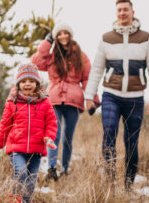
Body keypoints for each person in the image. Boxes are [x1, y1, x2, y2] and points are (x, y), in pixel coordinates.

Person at [85, 0, 149, 190]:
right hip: (111, 95)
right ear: (116, 12)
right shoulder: (106, 39)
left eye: (125, 10)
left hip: (135, 97)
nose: (122, 13)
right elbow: (97, 69)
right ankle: (109, 180)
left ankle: (128, 184)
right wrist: (89, 95)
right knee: (109, 132)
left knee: (132, 142)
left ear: (132, 12)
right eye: (119, 10)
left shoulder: (146, 38)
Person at [31, 22, 100, 181]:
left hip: (74, 100)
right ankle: (51, 168)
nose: (63, 36)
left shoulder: (81, 56)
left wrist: (93, 100)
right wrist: (47, 42)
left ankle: (65, 169)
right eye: (59, 34)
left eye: (65, 33)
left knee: (68, 137)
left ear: (70, 35)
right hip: (54, 98)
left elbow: (87, 79)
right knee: (54, 133)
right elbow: (35, 61)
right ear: (56, 37)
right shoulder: (51, 56)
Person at [0, 63, 57, 203]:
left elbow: (51, 122)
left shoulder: (44, 102)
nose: (28, 84)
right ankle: (16, 198)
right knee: (20, 173)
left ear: (37, 83)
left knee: (31, 180)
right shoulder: (12, 102)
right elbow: (4, 126)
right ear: (18, 83)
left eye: (32, 81)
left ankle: (26, 201)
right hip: (16, 148)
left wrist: (49, 137)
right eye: (24, 81)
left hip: (36, 149)